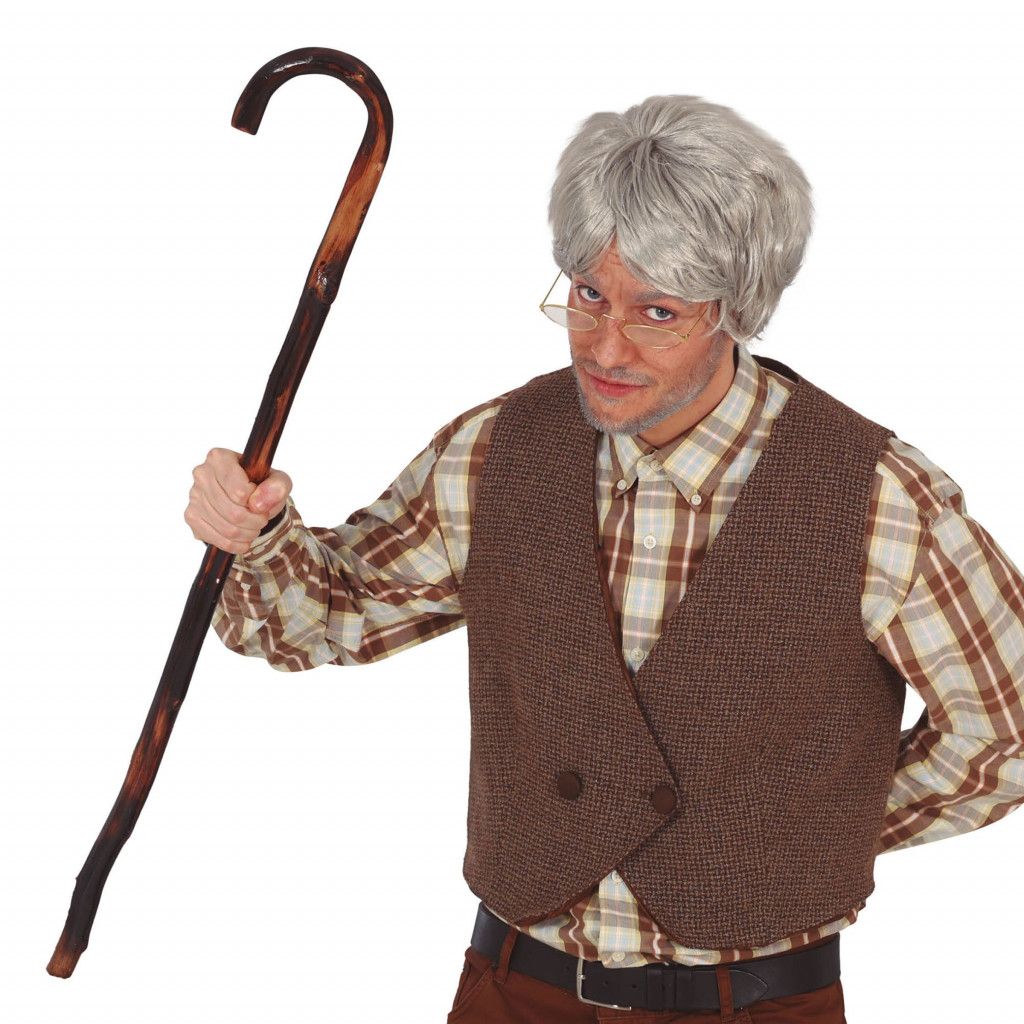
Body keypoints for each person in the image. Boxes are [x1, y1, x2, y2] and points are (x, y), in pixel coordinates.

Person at [184, 96, 1024, 1023]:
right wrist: (254, 534)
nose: (607, 347)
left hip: (754, 1006)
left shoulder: (876, 499)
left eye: (657, 312)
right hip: (512, 992)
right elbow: (318, 622)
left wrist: (817, 832)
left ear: (736, 311)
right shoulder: (497, 450)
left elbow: (1008, 735)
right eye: (588, 295)